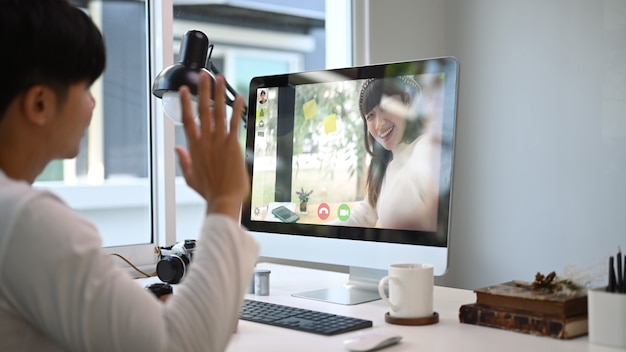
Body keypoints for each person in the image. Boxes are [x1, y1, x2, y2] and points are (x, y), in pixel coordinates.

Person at [0, 1, 259, 351]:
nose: (93, 104)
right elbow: (181, 345)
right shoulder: (23, 220)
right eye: (85, 88)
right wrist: (226, 199)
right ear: (40, 104)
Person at [336, 76, 441, 231]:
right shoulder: (384, 166)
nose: (379, 124)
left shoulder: (425, 146)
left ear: (406, 102)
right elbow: (364, 215)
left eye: (385, 106)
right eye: (370, 115)